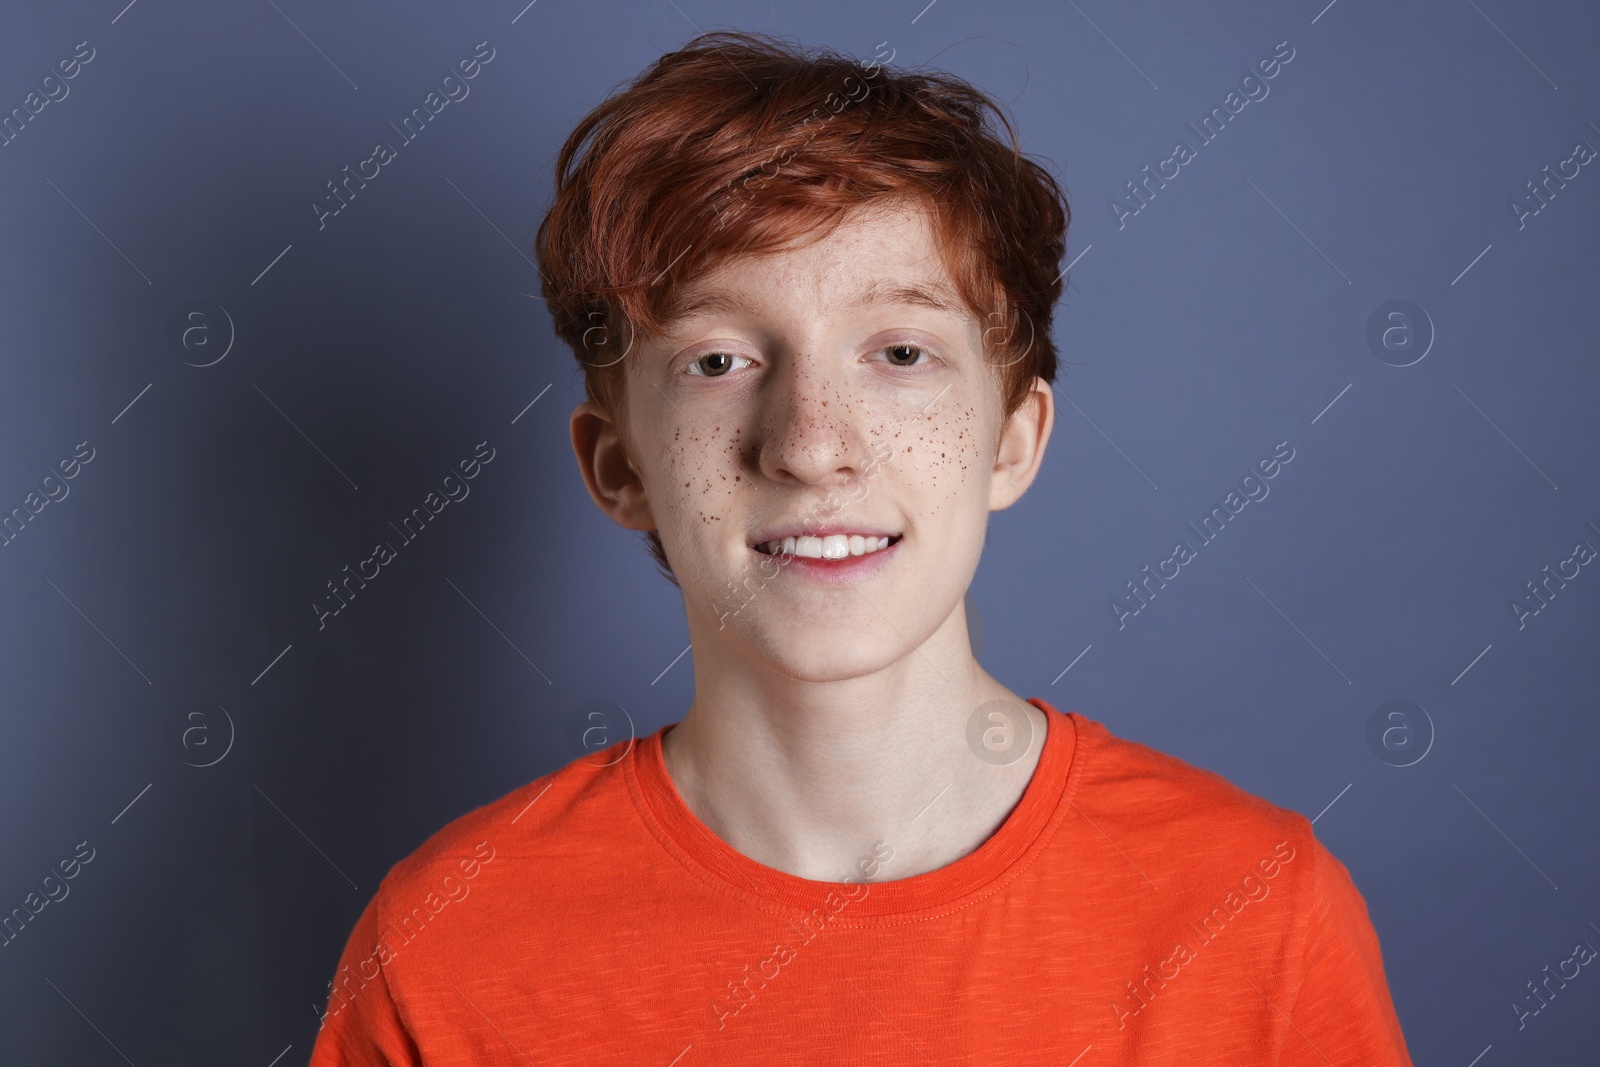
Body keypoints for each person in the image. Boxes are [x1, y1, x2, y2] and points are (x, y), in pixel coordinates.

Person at [308, 30, 1413, 1064]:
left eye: (898, 350)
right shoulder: (448, 942)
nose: (810, 444)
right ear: (619, 465)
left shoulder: (1255, 910)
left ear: (1013, 440)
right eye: (716, 361)